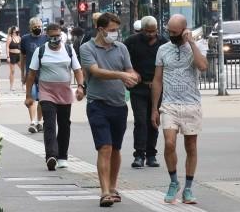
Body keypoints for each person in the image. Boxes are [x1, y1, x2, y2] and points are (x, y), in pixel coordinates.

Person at [80, 12, 140, 207]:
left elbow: (129, 69)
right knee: (104, 147)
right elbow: (95, 72)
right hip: (97, 104)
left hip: (119, 105)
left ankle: (113, 187)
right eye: (112, 30)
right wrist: (121, 75)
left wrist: (132, 76)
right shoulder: (87, 48)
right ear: (101, 29)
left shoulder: (121, 48)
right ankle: (104, 191)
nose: (116, 34)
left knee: (115, 148)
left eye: (117, 30)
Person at [151, 14, 208, 204]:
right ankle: (174, 181)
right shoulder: (162, 50)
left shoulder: (195, 48)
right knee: (169, 143)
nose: (171, 34)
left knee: (191, 146)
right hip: (169, 104)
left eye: (175, 32)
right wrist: (154, 108)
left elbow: (203, 67)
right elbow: (157, 81)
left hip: (191, 104)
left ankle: (189, 188)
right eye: (169, 31)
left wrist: (191, 43)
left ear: (184, 30)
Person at [26, 23, 85, 171]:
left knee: (65, 124)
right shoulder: (40, 51)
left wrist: (80, 86)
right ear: (47, 36)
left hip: (64, 92)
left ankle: (62, 156)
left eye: (57, 36)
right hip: (47, 93)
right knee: (50, 124)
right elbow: (31, 74)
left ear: (61, 35)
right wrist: (28, 96)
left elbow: (77, 70)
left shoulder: (68, 49)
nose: (55, 39)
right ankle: (51, 156)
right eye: (52, 36)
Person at [124, 15, 167, 168]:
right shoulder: (131, 42)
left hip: (157, 88)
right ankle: (139, 155)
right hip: (138, 88)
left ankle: (151, 154)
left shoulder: (164, 42)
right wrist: (132, 73)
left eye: (153, 31)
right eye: (147, 31)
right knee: (140, 121)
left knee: (153, 120)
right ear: (142, 30)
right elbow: (123, 60)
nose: (151, 34)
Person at [20, 18, 48, 133]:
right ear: (30, 27)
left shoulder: (46, 38)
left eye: (39, 26)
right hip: (30, 73)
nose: (37, 28)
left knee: (42, 99)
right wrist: (22, 73)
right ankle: (33, 121)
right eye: (35, 26)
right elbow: (22, 57)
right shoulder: (25, 39)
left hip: (44, 73)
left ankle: (38, 121)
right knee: (30, 97)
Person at [6, 26, 21, 92]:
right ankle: (11, 87)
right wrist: (8, 56)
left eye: (17, 29)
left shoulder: (19, 37)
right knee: (12, 71)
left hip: (19, 55)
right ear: (13, 30)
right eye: (16, 29)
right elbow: (7, 47)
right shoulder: (9, 38)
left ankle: (23, 85)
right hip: (12, 55)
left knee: (23, 70)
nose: (17, 30)